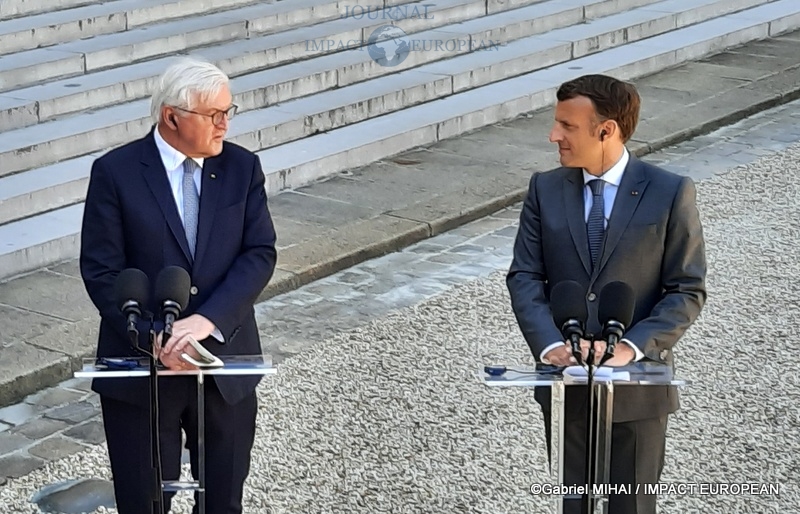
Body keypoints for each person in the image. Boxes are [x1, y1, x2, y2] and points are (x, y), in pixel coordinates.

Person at [80, 58, 277, 514]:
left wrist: (207, 320)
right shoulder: (115, 172)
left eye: (229, 111)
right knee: (144, 504)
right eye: (214, 114)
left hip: (224, 367)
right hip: (142, 374)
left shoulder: (242, 168)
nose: (225, 124)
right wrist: (155, 337)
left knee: (223, 503)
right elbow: (102, 270)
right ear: (172, 117)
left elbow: (259, 253)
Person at [506, 74, 706, 514]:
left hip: (638, 391)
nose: (553, 135)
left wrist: (630, 347)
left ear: (606, 130)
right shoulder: (544, 188)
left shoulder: (670, 192)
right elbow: (524, 276)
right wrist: (552, 347)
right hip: (567, 388)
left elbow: (686, 289)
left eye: (566, 126)